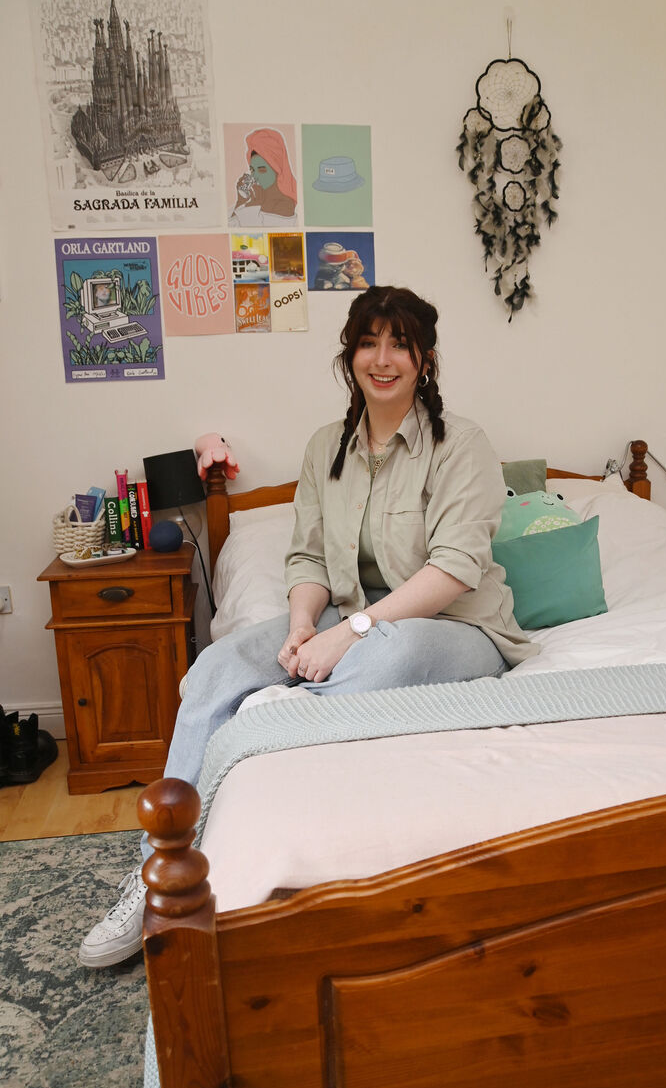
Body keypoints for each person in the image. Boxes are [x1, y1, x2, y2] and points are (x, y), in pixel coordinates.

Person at [78, 285, 537, 968]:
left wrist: (348, 632)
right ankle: (154, 872)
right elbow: (308, 557)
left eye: (400, 345)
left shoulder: (461, 444)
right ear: (349, 355)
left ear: (426, 360)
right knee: (218, 668)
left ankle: (256, 802)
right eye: (368, 343)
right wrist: (300, 626)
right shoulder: (328, 447)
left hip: (455, 626)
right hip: (342, 611)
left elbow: (455, 571)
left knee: (389, 654)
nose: (383, 359)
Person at [229, 127, 298, 226]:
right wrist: (240, 201)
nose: (255, 176)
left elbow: (255, 234)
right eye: (252, 170)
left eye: (262, 170)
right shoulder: (257, 196)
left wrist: (253, 205)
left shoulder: (284, 205)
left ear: (277, 169)